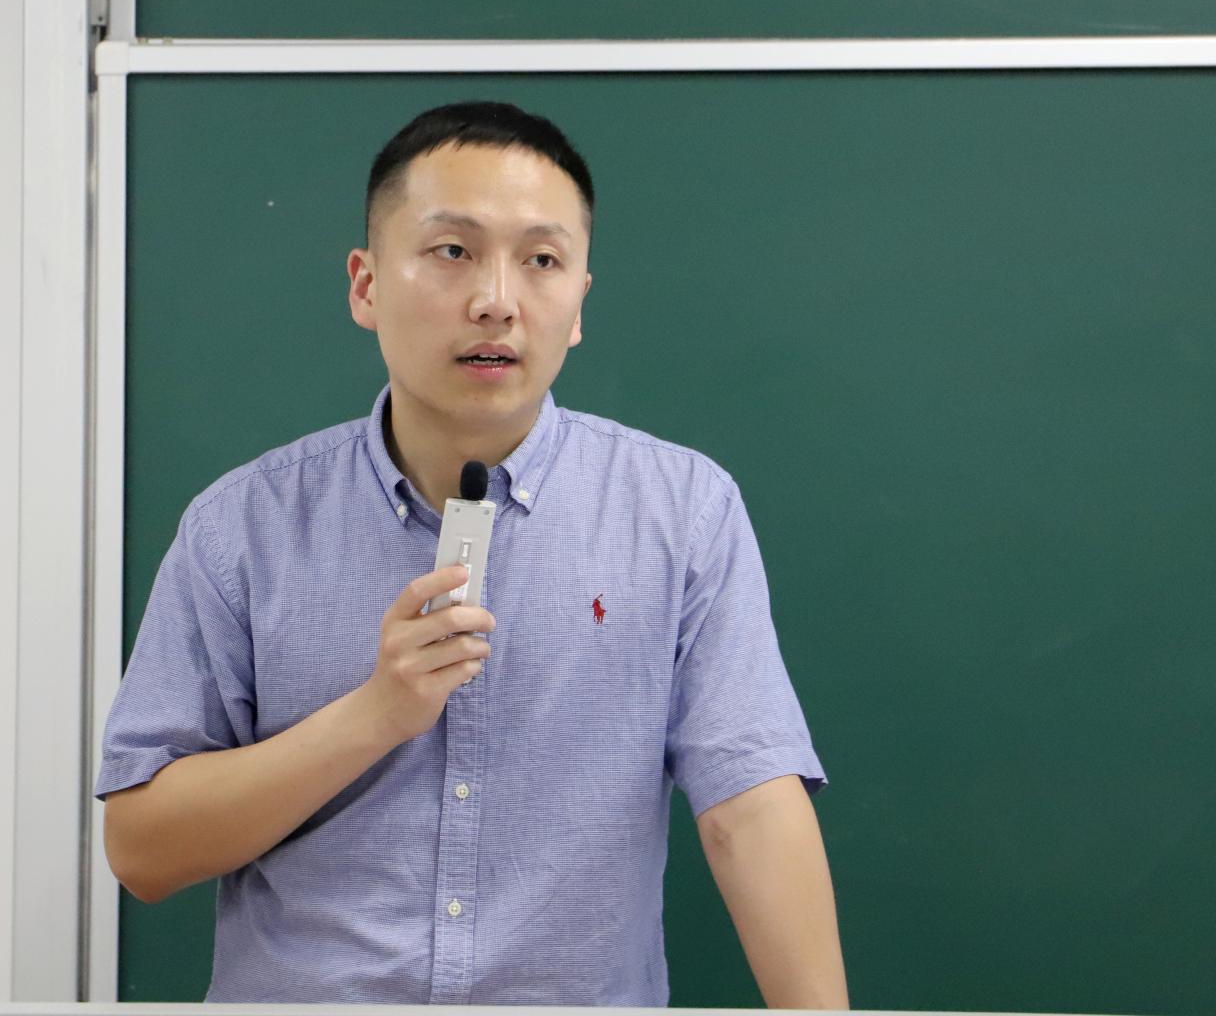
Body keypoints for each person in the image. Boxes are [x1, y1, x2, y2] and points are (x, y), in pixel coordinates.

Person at [98, 101, 848, 1008]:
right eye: (452, 250)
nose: (497, 299)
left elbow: (750, 808)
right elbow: (142, 853)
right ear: (366, 285)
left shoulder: (683, 512)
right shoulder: (242, 527)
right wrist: (375, 715)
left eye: (541, 260)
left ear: (579, 303)